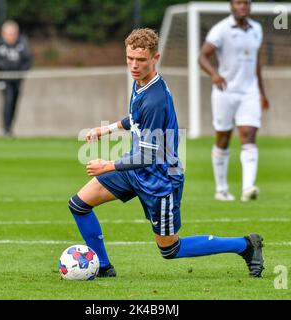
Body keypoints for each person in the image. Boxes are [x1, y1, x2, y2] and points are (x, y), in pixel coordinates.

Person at [67, 28, 264, 278]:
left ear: (155, 58)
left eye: (141, 60)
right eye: (130, 59)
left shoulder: (155, 99)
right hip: (135, 170)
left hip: (159, 180)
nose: (134, 65)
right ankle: (103, 267)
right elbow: (136, 119)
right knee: (79, 204)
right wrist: (107, 129)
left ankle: (246, 245)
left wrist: (106, 165)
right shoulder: (142, 84)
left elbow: (149, 156)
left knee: (170, 249)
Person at [198, 0, 270, 202]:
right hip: (225, 92)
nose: (242, 6)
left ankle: (248, 188)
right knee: (223, 139)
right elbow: (202, 56)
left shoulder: (257, 29)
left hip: (250, 93)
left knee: (248, 135)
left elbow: (256, 63)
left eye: (246, 3)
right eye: (238, 3)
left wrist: (262, 92)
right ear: (231, 6)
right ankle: (221, 189)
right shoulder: (220, 30)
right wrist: (213, 74)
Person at [0, 20, 33, 137]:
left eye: (13, 33)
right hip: (4, 79)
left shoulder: (22, 43)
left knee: (14, 103)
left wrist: (20, 69)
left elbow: (29, 60)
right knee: (8, 100)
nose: (11, 36)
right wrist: (2, 66)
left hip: (17, 79)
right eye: (9, 33)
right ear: (3, 33)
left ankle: (10, 127)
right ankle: (6, 129)